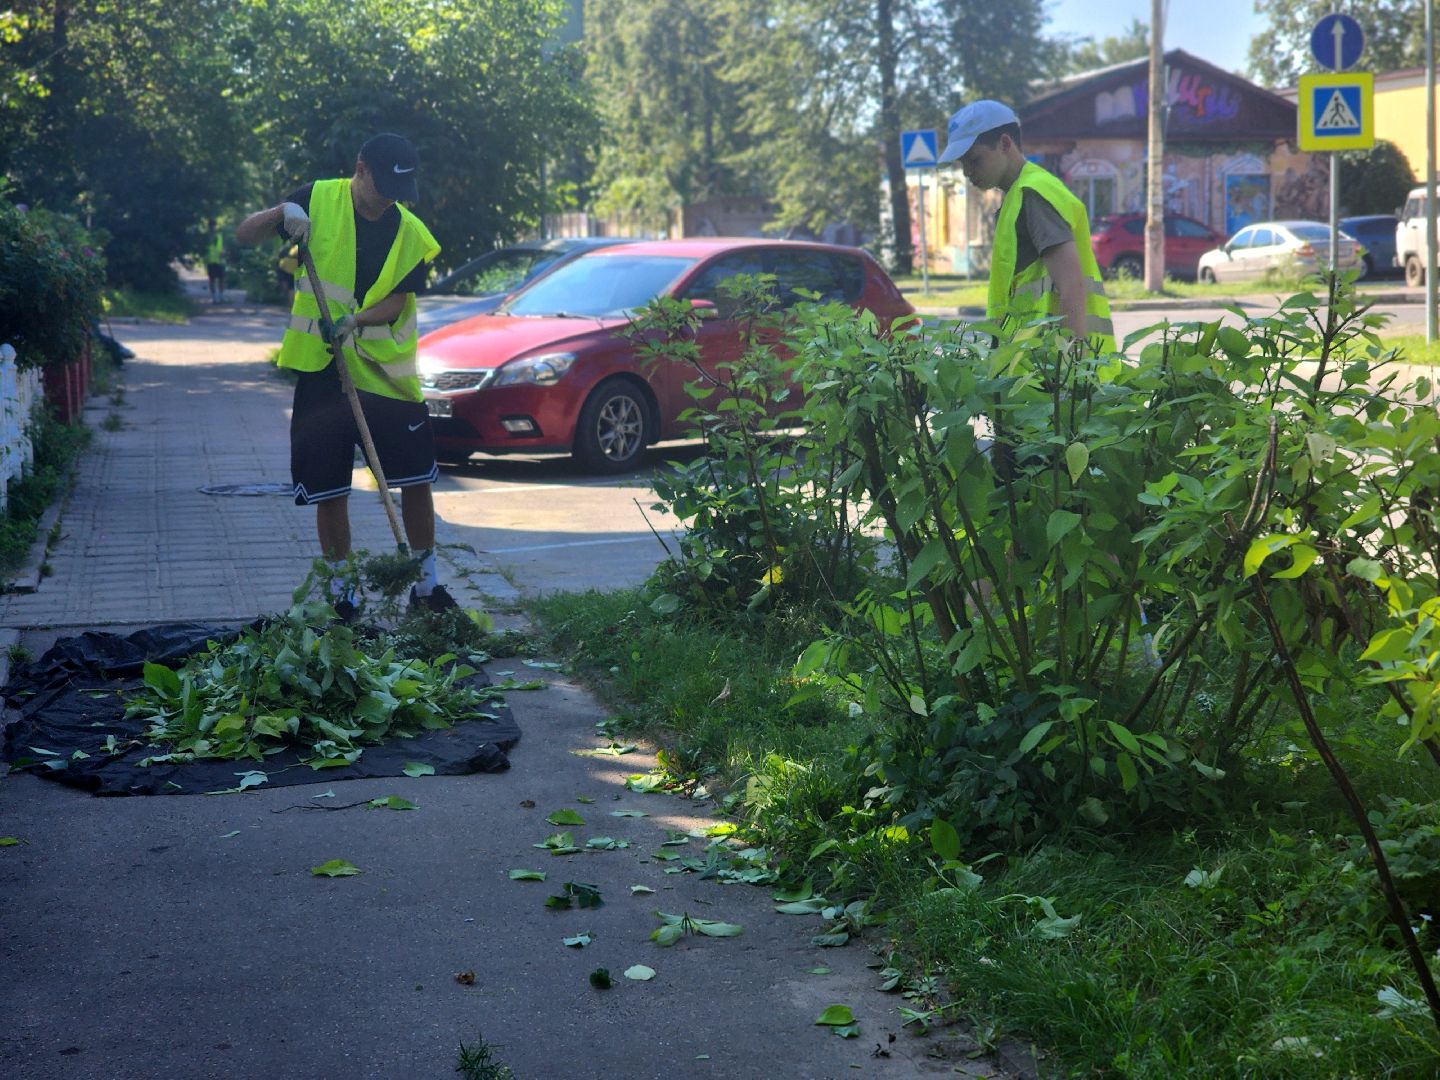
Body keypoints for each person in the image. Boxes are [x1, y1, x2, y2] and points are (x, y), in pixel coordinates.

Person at [235, 132, 456, 616]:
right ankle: (343, 596)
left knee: (416, 479)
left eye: (401, 190)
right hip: (322, 372)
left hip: (385, 375)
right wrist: (280, 215)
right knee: (329, 487)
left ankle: (427, 590)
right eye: (383, 187)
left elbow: (400, 298)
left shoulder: (410, 231)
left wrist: (357, 320)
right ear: (360, 169)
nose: (389, 200)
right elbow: (244, 234)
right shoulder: (314, 200)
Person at [938, 100, 1114, 353]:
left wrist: (1069, 368)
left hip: (1050, 376)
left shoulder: (1033, 193)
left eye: (974, 160)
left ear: (1005, 144)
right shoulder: (1018, 196)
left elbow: (1071, 283)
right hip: (1034, 371)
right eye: (962, 163)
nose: (967, 171)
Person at [204, 223, 227, 303]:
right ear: (208, 227)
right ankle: (214, 297)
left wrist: (223, 252)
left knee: (222, 279)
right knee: (212, 280)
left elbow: (222, 246)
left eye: (214, 226)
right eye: (211, 226)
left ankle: (221, 296)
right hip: (210, 261)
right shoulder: (205, 237)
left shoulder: (219, 236)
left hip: (220, 261)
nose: (212, 228)